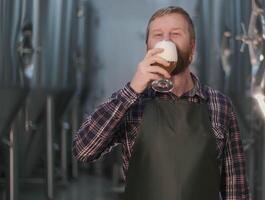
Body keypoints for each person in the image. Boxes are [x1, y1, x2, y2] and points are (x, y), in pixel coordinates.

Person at [73, 6, 250, 200]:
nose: (166, 41)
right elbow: (83, 150)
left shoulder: (220, 105)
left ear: (192, 48)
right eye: (158, 35)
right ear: (148, 48)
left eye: (175, 34)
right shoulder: (132, 102)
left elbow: (236, 189)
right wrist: (132, 89)